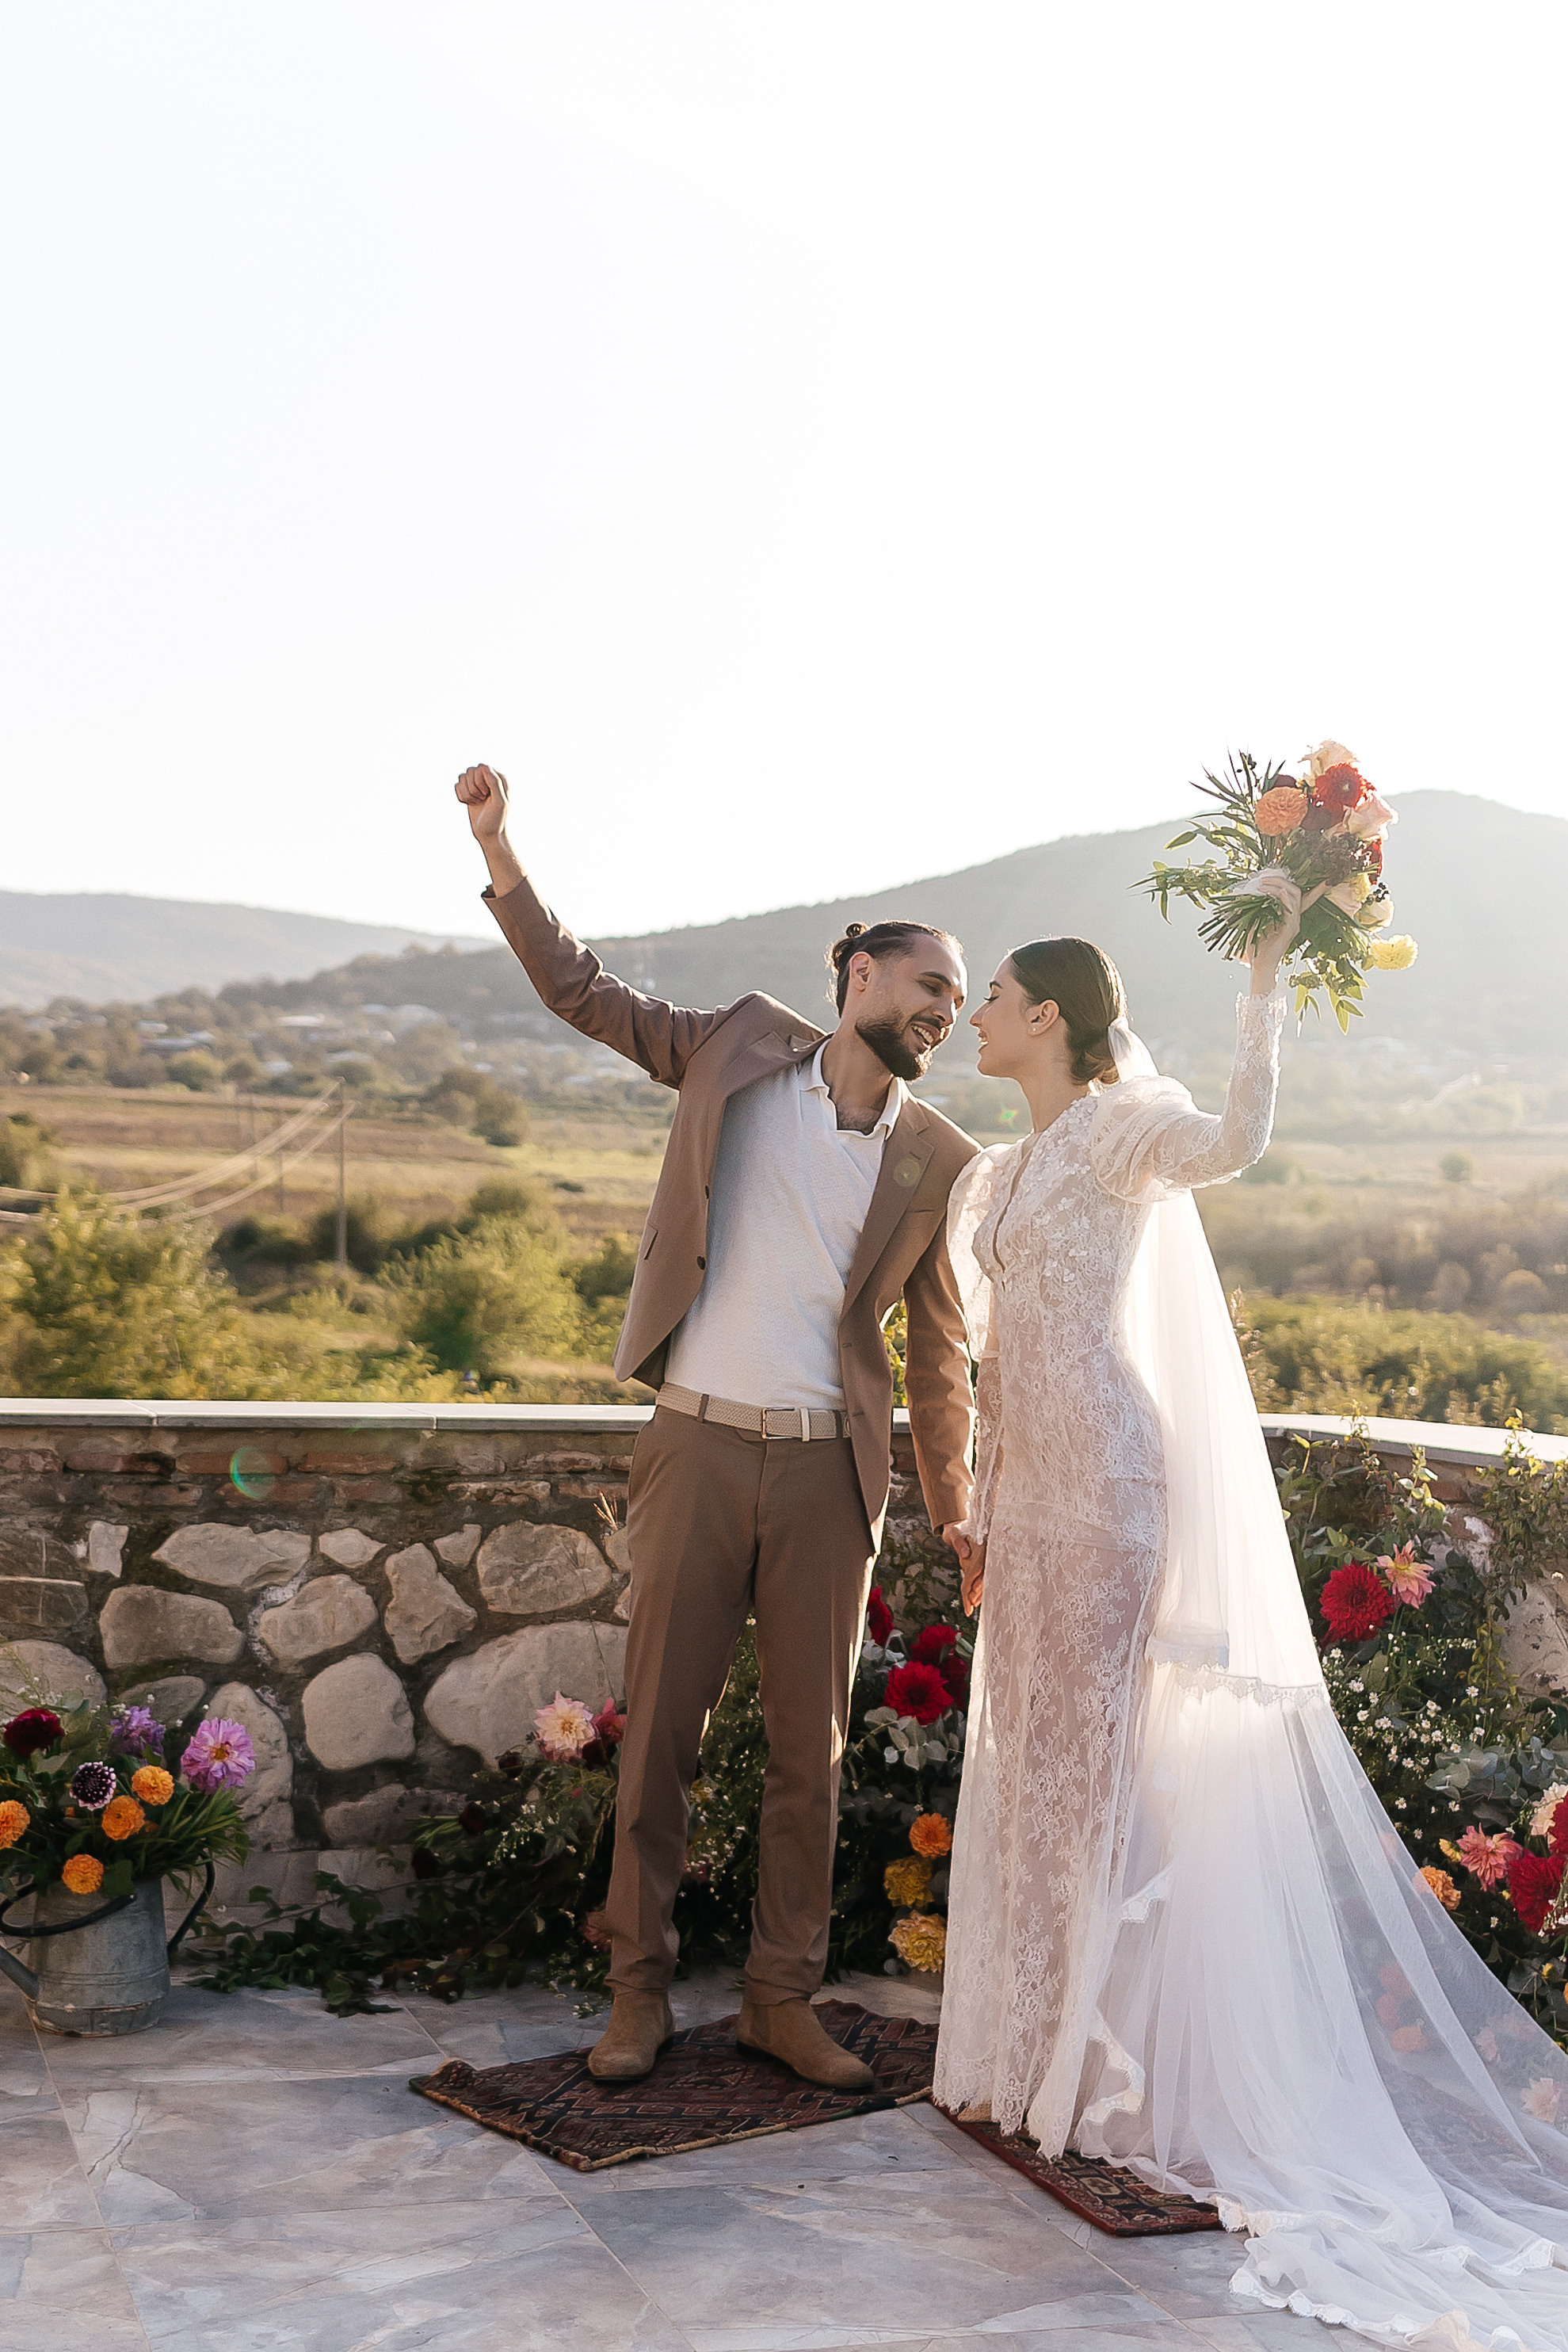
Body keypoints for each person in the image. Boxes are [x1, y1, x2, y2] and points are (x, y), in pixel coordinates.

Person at [935, 912, 1568, 2350]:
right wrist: (976, 1513)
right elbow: (994, 1358)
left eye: (998, 1000)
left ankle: (1091, 2074)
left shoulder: (1115, 1130)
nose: (978, 1015)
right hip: (1031, 1505)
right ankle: (1018, 2053)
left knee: (1091, 1771)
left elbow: (1238, 1138)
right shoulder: (1005, 1169)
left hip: (1108, 1486)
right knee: (1025, 1766)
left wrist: (1266, 977)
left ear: (1054, 1019)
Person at [455, 762, 979, 2090]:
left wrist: (954, 1502)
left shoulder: (939, 1160)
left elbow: (939, 1357)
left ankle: (777, 2000)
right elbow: (585, 995)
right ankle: (636, 1999)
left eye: (964, 1005)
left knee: (812, 1758)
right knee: (663, 1741)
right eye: (931, 988)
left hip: (825, 1477)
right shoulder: (742, 1047)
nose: (947, 1015)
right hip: (695, 1445)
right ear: (860, 975)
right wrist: (503, 854)